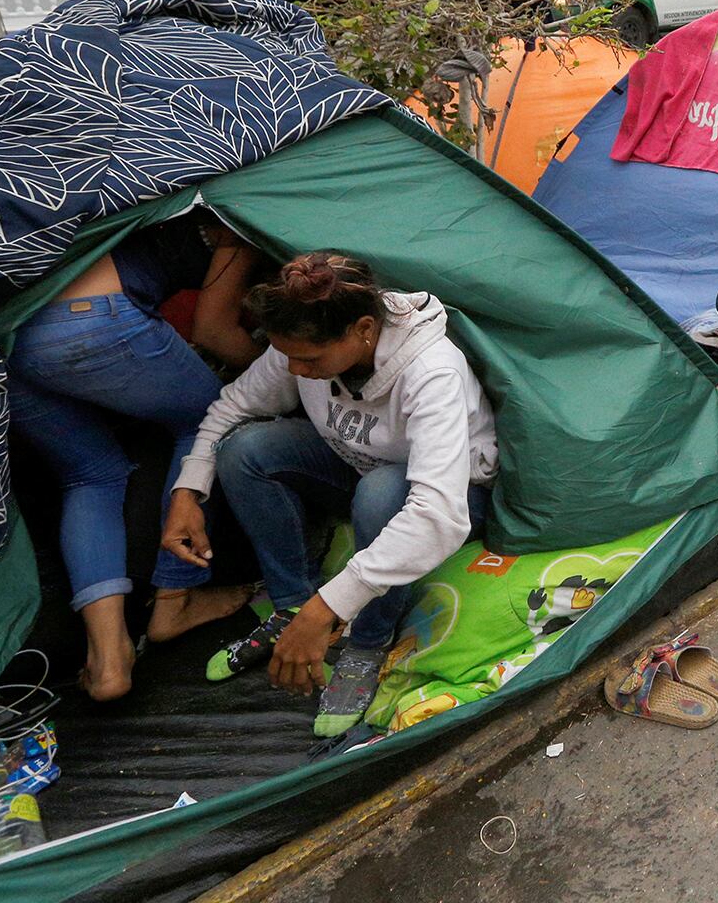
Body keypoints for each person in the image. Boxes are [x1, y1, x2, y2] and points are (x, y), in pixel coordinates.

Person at [163, 252, 500, 737]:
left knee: (383, 493)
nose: (296, 371)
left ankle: (367, 641)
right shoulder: (301, 347)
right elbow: (235, 404)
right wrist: (188, 489)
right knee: (246, 449)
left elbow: (437, 516)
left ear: (364, 329)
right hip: (357, 468)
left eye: (310, 359)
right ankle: (291, 608)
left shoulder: (431, 372)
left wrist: (332, 605)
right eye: (288, 356)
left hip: (451, 494)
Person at [5, 215, 264, 701]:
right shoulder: (242, 213)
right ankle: (174, 598)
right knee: (211, 418)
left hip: (7, 338)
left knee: (90, 475)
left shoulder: (135, 171)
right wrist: (279, 375)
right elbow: (212, 330)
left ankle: (108, 660)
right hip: (93, 317)